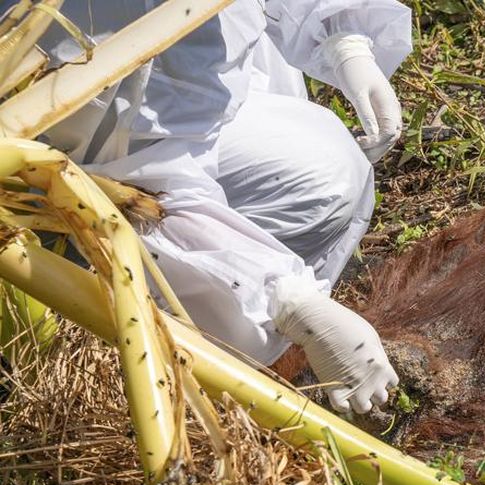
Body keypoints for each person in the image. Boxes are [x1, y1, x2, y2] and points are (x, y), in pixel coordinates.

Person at [29, 0, 410, 414]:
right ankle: (136, 342)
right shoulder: (94, 30)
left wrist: (343, 35)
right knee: (248, 312)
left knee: (326, 170)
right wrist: (282, 296)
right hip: (63, 167)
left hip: (166, 125)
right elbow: (138, 192)